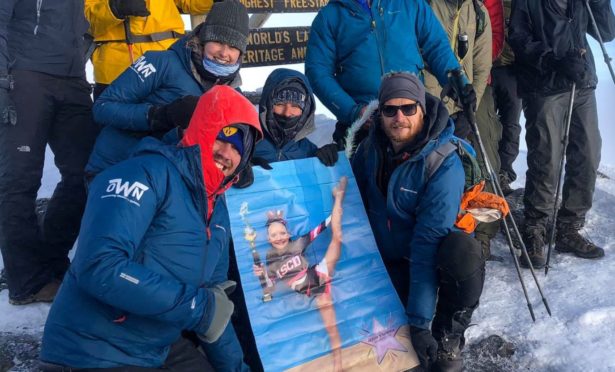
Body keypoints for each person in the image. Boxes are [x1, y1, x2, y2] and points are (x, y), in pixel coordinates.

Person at [40, 85, 263, 371]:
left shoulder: (217, 212)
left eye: (238, 150)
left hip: (155, 347)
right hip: (92, 350)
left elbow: (214, 302)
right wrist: (196, 307)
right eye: (222, 138)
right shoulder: (144, 174)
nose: (226, 154)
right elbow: (99, 265)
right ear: (202, 129)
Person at [351, 73, 485, 372]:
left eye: (408, 108)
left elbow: (428, 241)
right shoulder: (369, 152)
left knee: (462, 252)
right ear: (380, 112)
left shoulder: (443, 162)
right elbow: (344, 200)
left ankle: (447, 333)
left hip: (426, 259)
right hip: (385, 263)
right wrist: (328, 165)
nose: (399, 117)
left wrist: (420, 323)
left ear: (422, 109)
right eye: (390, 109)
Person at [0, 0, 98, 305]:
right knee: (19, 180)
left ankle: (52, 262)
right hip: (24, 74)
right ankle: (26, 281)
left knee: (87, 171)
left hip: (73, 77)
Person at [86, 0, 249, 179]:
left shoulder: (231, 88)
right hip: (122, 169)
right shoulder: (163, 63)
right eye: (217, 41)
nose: (224, 53)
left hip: (171, 175)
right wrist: (160, 116)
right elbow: (102, 108)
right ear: (204, 38)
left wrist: (243, 162)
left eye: (233, 47)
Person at [509, 0, 615, 268]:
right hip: (544, 85)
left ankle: (569, 226)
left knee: (589, 153)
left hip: (581, 82)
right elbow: (519, 38)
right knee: (546, 157)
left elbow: (607, 33)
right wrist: (553, 60)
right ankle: (535, 227)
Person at [305, 0, 478, 150]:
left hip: (410, 115)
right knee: (366, 184)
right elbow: (318, 72)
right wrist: (353, 112)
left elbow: (437, 46)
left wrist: (458, 82)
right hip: (364, 125)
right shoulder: (330, 16)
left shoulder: (411, 4)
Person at [253, 177, 347, 372]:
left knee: (337, 237)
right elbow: (268, 292)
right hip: (314, 291)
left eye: (281, 233)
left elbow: (322, 227)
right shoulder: (270, 261)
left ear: (287, 233)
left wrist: (334, 214)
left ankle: (339, 197)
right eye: (273, 235)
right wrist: (262, 275)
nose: (278, 237)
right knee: (330, 326)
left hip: (318, 274)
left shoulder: (297, 244)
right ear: (268, 239)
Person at [85, 0, 213, 99]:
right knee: (116, 126)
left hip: (170, 62)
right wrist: (115, 8)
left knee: (176, 126)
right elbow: (82, 21)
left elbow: (189, 2)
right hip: (117, 69)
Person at [254, 68, 339, 165]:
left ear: (305, 111)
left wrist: (330, 156)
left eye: (295, 106)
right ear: (268, 105)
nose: (287, 113)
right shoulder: (249, 142)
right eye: (280, 104)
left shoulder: (308, 151)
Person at [491, 0, 522, 195]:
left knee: (511, 125)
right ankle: (488, 172)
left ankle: (503, 174)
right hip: (486, 68)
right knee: (487, 123)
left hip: (512, 69)